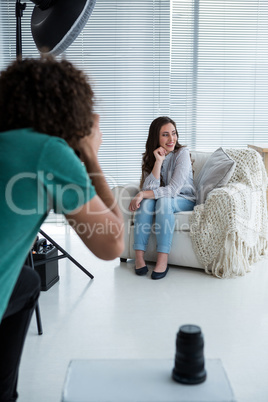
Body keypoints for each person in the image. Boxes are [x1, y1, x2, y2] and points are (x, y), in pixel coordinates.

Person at [0, 55, 124, 401]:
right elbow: (113, 243)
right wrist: (90, 152)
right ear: (71, 110)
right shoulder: (47, 152)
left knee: (26, 281)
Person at [129, 116, 195, 280]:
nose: (171, 139)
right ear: (156, 137)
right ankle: (138, 257)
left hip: (184, 199)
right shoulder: (150, 157)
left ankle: (162, 259)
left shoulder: (182, 154)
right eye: (165, 134)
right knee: (146, 202)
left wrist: (143, 193)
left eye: (173, 133)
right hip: (162, 198)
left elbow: (173, 190)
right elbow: (149, 189)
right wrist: (158, 162)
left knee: (161, 200)